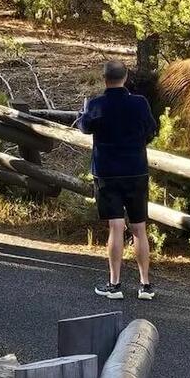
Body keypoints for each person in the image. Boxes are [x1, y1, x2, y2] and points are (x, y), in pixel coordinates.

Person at [77, 60, 158, 300]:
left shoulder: (96, 104)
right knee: (139, 228)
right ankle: (145, 284)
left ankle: (115, 284)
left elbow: (84, 127)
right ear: (125, 78)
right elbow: (151, 130)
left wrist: (83, 114)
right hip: (136, 169)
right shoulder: (140, 103)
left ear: (104, 78)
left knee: (115, 226)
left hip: (107, 171)